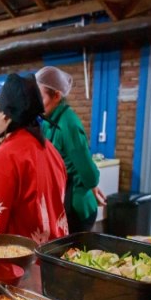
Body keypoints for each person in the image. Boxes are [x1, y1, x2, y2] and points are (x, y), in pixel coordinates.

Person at [0, 73, 69, 243]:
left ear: (6, 115)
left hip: (20, 263)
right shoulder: (51, 152)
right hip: (52, 257)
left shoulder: (4, 156)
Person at [36, 66, 106, 233]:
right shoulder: (48, 120)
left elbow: (89, 173)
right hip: (61, 201)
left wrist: (92, 183)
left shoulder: (68, 124)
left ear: (57, 95)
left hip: (75, 207)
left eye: (42, 96)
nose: (38, 102)